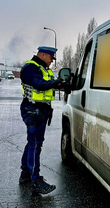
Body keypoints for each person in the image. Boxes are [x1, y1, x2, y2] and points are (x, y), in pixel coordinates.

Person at [19, 46, 68, 195]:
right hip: (33, 110)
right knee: (35, 145)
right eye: (51, 57)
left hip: (40, 110)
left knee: (32, 143)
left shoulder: (43, 69)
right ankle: (35, 180)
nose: (52, 60)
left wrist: (61, 84)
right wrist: (55, 82)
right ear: (43, 55)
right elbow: (38, 84)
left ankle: (25, 174)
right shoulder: (30, 68)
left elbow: (47, 85)